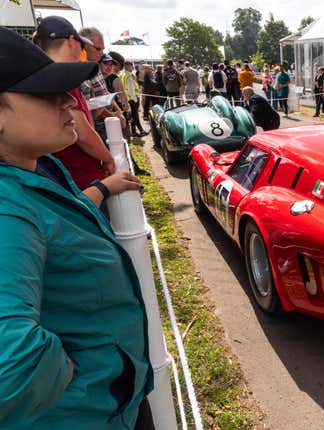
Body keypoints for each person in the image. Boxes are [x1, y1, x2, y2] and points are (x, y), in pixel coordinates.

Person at [0, 26, 154, 429]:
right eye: (46, 95)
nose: (70, 103)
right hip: (91, 409)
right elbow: (9, 369)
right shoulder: (6, 207)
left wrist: (101, 188)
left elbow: (55, 229)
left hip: (114, 397)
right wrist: (75, 375)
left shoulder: (36, 168)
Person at [31, 16, 115, 191]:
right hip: (81, 179)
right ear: (71, 41)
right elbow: (82, 133)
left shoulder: (39, 75)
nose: (83, 50)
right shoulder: (61, 77)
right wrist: (108, 158)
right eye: (81, 44)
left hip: (61, 177)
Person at [79, 27, 126, 143]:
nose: (101, 53)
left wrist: (118, 111)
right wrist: (113, 116)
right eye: (98, 49)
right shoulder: (81, 71)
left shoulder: (95, 66)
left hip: (108, 119)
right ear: (83, 46)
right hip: (99, 125)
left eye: (102, 49)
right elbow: (94, 106)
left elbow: (105, 94)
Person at [120, 61, 147, 137]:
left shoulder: (122, 74)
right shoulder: (129, 76)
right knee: (135, 117)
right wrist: (135, 100)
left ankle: (135, 132)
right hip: (132, 99)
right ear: (128, 66)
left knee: (133, 117)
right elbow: (131, 89)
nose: (133, 68)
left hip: (127, 98)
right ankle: (139, 131)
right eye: (132, 66)